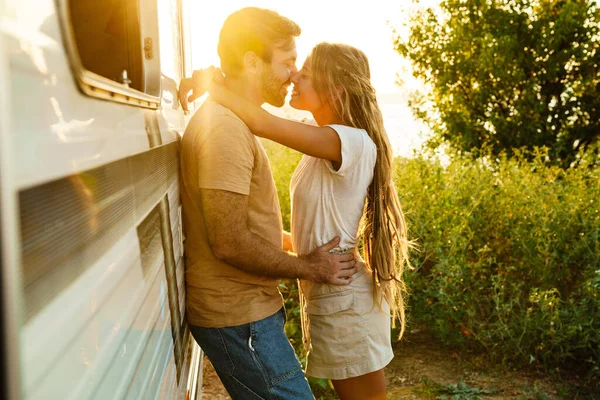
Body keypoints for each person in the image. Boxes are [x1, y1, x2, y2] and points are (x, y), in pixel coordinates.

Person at [185, 42, 412, 400]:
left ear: (335, 89)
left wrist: (214, 86)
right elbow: (317, 224)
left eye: (304, 74)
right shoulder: (324, 137)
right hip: (329, 295)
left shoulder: (349, 142)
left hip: (346, 301)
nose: (294, 77)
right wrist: (295, 249)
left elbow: (260, 121)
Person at [178, 8, 359, 400]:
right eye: (288, 61)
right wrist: (308, 268)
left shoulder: (236, 120)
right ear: (251, 62)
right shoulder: (225, 129)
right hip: (238, 318)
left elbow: (241, 226)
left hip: (249, 313)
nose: (294, 73)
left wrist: (298, 249)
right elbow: (228, 240)